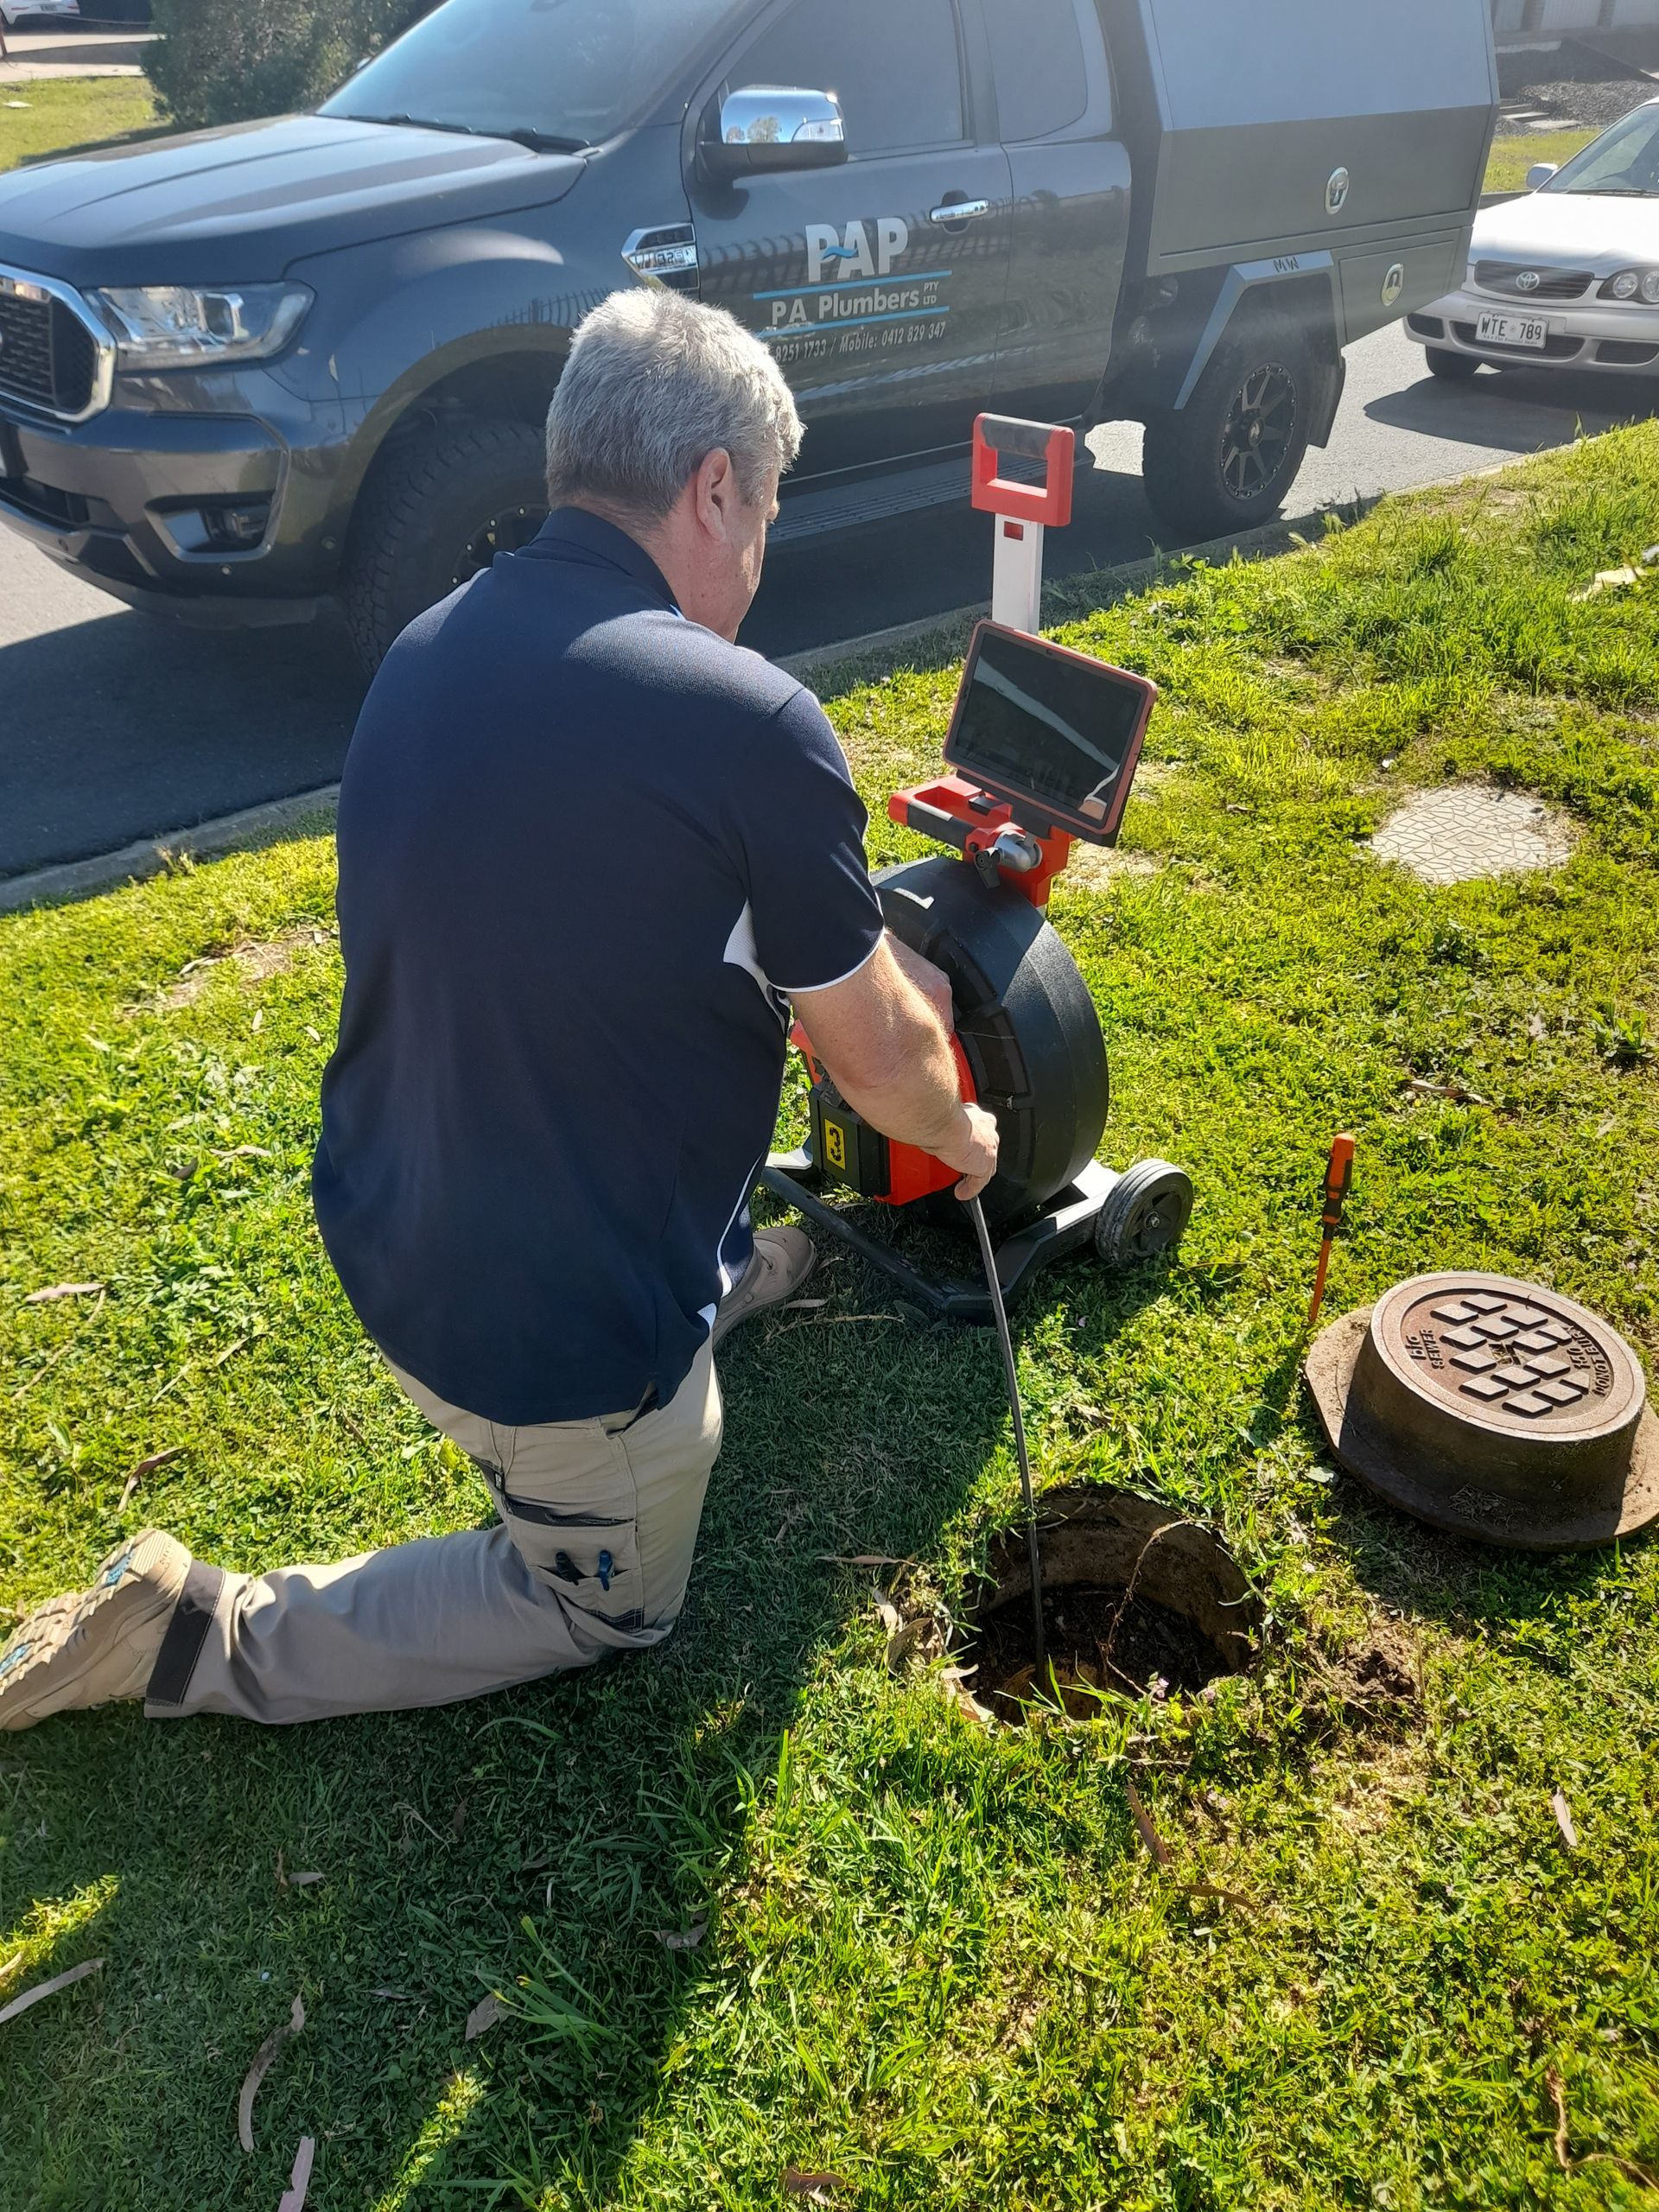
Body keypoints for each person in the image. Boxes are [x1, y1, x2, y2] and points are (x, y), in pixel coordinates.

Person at [0, 289, 999, 1734]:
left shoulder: (430, 645)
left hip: (386, 1224)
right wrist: (962, 1130)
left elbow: (581, 968)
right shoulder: (751, 721)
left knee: (641, 1053)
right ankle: (196, 1634)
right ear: (713, 488)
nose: (764, 553)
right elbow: (880, 1061)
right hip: (536, 1342)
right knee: (611, 1605)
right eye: (768, 509)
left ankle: (736, 1276)